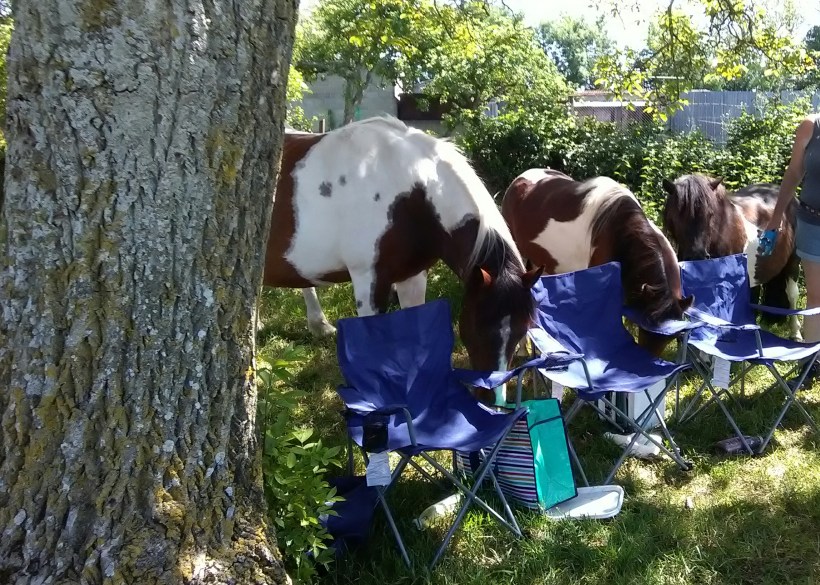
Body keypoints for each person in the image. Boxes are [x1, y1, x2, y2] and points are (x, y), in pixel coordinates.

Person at [765, 112, 820, 376]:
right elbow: (794, 172)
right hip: (813, 223)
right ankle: (811, 363)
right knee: (816, 297)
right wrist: (775, 222)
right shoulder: (811, 126)